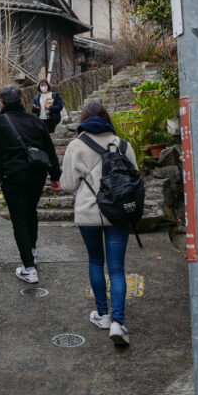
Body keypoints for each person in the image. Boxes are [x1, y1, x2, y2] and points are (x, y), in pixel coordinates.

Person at [59, 101, 139, 346]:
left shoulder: (76, 145)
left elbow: (68, 185)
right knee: (116, 269)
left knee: (95, 261)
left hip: (88, 214)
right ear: (107, 118)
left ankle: (102, 314)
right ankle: (117, 322)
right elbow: (135, 177)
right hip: (118, 215)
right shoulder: (123, 145)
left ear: (83, 119)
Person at [0, 85, 62, 285]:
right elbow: (49, 149)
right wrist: (55, 176)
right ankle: (32, 253)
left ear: (1, 104)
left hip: (12, 177)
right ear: (21, 102)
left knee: (19, 219)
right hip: (37, 174)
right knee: (31, 213)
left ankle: (29, 269)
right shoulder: (35, 120)